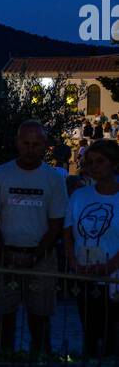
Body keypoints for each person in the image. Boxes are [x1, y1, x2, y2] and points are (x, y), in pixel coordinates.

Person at [0, 121, 66, 355]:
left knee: (40, 320)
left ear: (44, 146)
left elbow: (57, 222)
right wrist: (3, 254)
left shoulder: (54, 178)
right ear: (18, 143)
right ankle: (2, 363)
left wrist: (37, 254)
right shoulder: (0, 174)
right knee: (3, 318)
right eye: (26, 143)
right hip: (4, 254)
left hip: (41, 258)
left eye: (36, 144)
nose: (30, 148)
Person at [64, 138, 119, 355]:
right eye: (91, 162)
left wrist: (110, 265)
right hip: (86, 275)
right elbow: (67, 232)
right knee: (90, 331)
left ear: (114, 164)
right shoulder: (79, 196)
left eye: (100, 161)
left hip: (114, 279)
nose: (94, 167)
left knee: (112, 335)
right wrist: (73, 261)